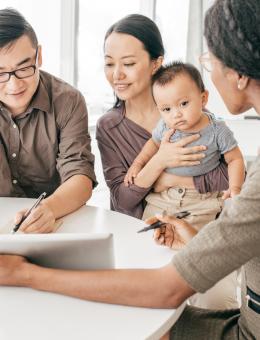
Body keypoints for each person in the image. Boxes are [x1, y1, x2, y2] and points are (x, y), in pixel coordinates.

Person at [1, 0, 260, 337]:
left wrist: (25, 274)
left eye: (209, 61)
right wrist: (163, 173)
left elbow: (166, 288)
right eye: (110, 63)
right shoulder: (114, 126)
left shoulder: (208, 125)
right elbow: (125, 198)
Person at [96, 14, 230, 220]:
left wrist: (169, 180)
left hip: (198, 229)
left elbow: (232, 177)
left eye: (129, 63)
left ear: (156, 63)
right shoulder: (109, 126)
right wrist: (158, 161)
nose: (117, 75)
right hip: (141, 234)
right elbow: (122, 199)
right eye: (109, 64)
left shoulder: (193, 115)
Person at [0, 8, 96, 233]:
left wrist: (49, 209)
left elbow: (80, 176)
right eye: (0, 73)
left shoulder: (68, 101)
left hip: (55, 220)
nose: (14, 86)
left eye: (23, 68)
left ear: (39, 56)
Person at [125, 62, 245, 228]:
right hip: (163, 197)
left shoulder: (217, 130)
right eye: (166, 109)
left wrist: (235, 187)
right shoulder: (166, 126)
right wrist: (138, 164)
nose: (176, 114)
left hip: (201, 199)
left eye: (183, 104)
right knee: (150, 233)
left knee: (193, 242)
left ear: (203, 99)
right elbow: (153, 143)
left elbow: (235, 159)